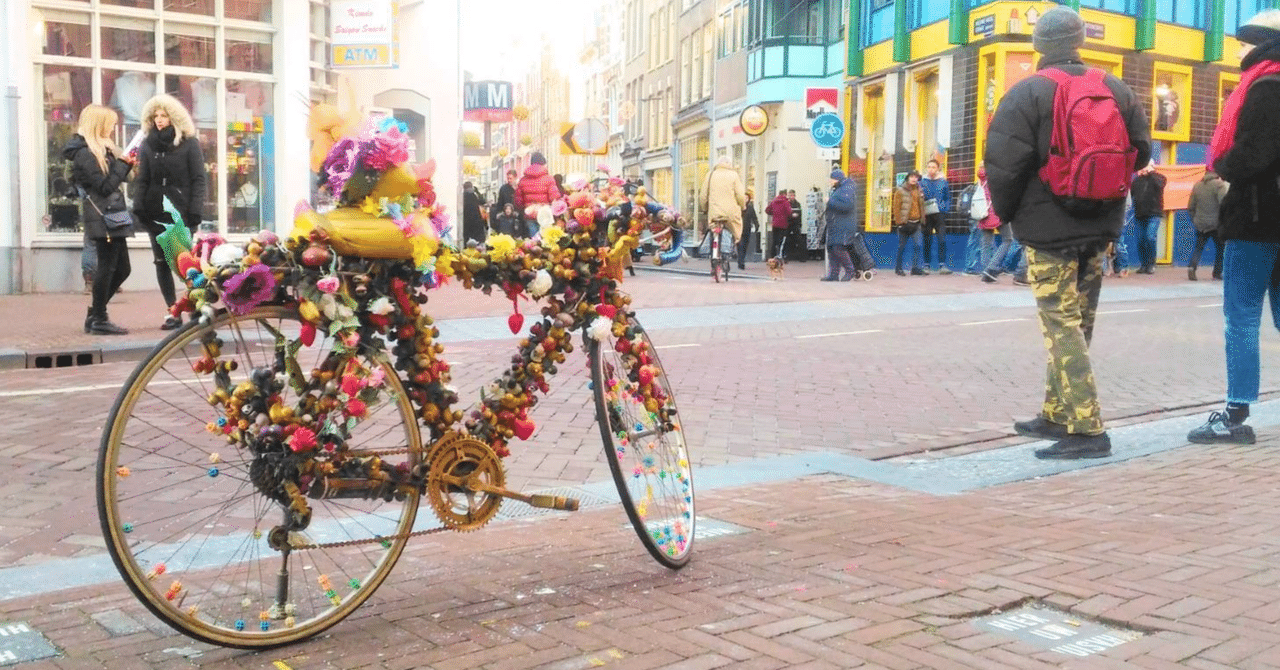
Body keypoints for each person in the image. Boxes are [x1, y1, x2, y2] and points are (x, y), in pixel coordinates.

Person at [985, 5, 1150, 459]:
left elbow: (1004, 164)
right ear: (1079, 41)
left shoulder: (1027, 93)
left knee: (1061, 324)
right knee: (1080, 322)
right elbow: (1141, 148)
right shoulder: (1115, 88)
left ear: (1040, 46)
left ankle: (1088, 428)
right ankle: (1058, 412)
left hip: (1047, 230)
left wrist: (1010, 214)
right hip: (1100, 225)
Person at [1187, 9, 1280, 445]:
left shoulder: (1265, 86)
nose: (1239, 50)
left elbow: (1253, 155)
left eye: (1244, 43)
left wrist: (1222, 166)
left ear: (1262, 43)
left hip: (1258, 219)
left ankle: (1236, 412)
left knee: (1241, 317)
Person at [133, 94, 207, 330]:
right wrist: (138, 206)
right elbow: (142, 179)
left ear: (174, 117)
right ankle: (172, 311)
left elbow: (198, 179)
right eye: (155, 116)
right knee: (161, 262)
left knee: (186, 263)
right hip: (154, 211)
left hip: (181, 212)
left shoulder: (189, 143)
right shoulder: (147, 144)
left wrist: (195, 211)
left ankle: (196, 308)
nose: (159, 120)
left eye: (164, 115)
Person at [67, 104, 136, 335]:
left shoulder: (101, 150)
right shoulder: (86, 154)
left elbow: (112, 181)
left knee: (123, 268)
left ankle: (95, 314)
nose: (113, 129)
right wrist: (122, 165)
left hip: (113, 213)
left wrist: (124, 165)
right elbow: (105, 187)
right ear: (99, 125)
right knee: (107, 268)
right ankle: (99, 318)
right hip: (102, 216)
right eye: (110, 125)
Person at [1187, 169, 1228, 281]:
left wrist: (1195, 220)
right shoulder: (1219, 185)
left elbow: (1191, 206)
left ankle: (1192, 267)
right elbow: (1224, 204)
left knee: (1198, 247)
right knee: (1221, 249)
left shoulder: (1197, 186)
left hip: (1200, 223)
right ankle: (1217, 273)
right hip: (1216, 224)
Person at [821, 169, 860, 281]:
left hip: (843, 224)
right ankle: (833, 274)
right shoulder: (840, 188)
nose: (830, 182)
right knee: (832, 248)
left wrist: (829, 201)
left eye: (832, 179)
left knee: (838, 248)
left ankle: (850, 271)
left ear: (837, 179)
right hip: (835, 224)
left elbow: (847, 206)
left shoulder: (847, 189)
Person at [1129, 163, 1167, 274]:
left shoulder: (1159, 178)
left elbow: (1160, 184)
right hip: (1140, 214)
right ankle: (1144, 264)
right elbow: (1133, 194)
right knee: (1141, 240)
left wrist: (1151, 173)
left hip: (1154, 214)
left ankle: (1151, 264)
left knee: (1150, 237)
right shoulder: (1137, 181)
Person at [698, 158, 746, 244]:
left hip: (714, 213)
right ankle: (735, 244)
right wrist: (743, 206)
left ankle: (712, 247)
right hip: (731, 213)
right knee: (736, 231)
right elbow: (740, 195)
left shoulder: (710, 175)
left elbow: (703, 196)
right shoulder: (734, 175)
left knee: (712, 227)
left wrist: (704, 208)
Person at [514, 152, 560, 236]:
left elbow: (518, 202)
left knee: (534, 241)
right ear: (543, 163)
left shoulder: (523, 180)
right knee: (546, 239)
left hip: (529, 214)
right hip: (545, 213)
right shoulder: (549, 178)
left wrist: (524, 208)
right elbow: (555, 198)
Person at [920, 159, 953, 274]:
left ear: (938, 168)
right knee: (927, 239)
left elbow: (948, 197)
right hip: (927, 214)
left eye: (933, 167)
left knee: (942, 239)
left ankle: (942, 265)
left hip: (940, 214)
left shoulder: (943, 182)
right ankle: (926, 265)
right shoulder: (922, 182)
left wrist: (945, 208)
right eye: (929, 167)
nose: (931, 169)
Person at [892, 171, 926, 276]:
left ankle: (915, 268)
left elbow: (922, 206)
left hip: (917, 223)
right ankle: (898, 268)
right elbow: (896, 208)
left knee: (918, 245)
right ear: (908, 178)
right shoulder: (900, 191)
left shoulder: (920, 190)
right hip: (905, 223)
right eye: (911, 177)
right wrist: (899, 223)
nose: (914, 179)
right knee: (901, 246)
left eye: (916, 177)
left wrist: (922, 219)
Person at [765, 189, 791, 260]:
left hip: (775, 224)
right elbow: (789, 212)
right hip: (783, 224)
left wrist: (773, 214)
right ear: (784, 194)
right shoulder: (786, 202)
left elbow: (767, 210)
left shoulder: (774, 201)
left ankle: (772, 256)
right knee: (782, 241)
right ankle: (780, 255)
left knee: (774, 241)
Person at [738, 188, 758, 270]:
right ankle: (741, 261)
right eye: (744, 198)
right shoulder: (738, 207)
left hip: (747, 229)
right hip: (739, 229)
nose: (745, 199)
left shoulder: (750, 208)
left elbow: (754, 217)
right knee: (740, 245)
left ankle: (741, 260)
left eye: (747, 198)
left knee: (745, 245)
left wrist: (757, 225)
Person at [787, 189, 804, 261]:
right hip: (789, 224)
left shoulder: (798, 204)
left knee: (799, 240)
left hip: (796, 224)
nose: (792, 197)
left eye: (793, 195)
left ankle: (801, 257)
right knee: (788, 240)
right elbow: (786, 214)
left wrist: (800, 223)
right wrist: (791, 215)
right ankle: (787, 256)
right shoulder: (787, 204)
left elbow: (800, 214)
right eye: (790, 195)